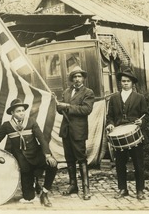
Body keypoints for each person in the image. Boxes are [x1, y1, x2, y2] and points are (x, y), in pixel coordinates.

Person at [0, 98, 58, 207]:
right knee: (28, 197)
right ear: (12, 113)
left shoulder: (31, 121)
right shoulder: (7, 125)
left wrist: (48, 155)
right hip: (22, 159)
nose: (21, 113)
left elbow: (42, 139)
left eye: (22, 110)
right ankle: (32, 186)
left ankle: (44, 192)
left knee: (53, 165)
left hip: (36, 154)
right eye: (18, 111)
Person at [105, 68, 148, 200]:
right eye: (123, 81)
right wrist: (110, 124)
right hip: (119, 134)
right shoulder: (113, 98)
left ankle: (140, 190)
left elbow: (146, 114)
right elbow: (109, 116)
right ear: (120, 83)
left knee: (138, 164)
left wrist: (141, 122)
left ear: (132, 83)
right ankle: (123, 189)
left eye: (128, 81)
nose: (125, 83)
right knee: (120, 164)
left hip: (134, 133)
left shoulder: (139, 98)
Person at [56, 66, 95, 200]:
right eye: (74, 77)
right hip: (66, 130)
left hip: (78, 131)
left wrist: (67, 106)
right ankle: (73, 185)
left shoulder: (88, 92)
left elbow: (86, 110)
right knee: (69, 159)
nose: (77, 79)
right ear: (72, 79)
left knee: (81, 158)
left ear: (83, 78)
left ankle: (86, 188)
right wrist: (59, 106)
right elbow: (61, 110)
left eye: (79, 76)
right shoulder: (66, 92)